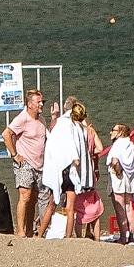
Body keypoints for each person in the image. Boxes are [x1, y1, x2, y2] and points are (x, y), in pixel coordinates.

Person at [39, 102, 93, 239]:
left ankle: (40, 235)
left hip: (60, 168)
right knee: (70, 207)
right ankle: (68, 237)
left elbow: (53, 142)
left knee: (52, 204)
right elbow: (72, 144)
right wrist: (75, 158)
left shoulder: (62, 124)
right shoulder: (73, 126)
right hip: (70, 169)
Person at [1, 88, 48, 238]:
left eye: (42, 101)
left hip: (39, 164)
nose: (41, 104)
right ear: (29, 104)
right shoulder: (22, 118)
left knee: (34, 198)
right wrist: (15, 154)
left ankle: (29, 229)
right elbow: (6, 134)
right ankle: (20, 230)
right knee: (25, 195)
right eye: (38, 102)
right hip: (25, 162)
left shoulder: (42, 120)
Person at [106, 123, 134, 244]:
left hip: (118, 179)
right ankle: (131, 235)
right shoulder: (131, 145)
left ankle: (123, 237)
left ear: (120, 132)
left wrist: (117, 171)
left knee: (119, 208)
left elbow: (115, 160)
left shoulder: (117, 145)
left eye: (113, 130)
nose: (110, 132)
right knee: (129, 207)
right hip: (130, 178)